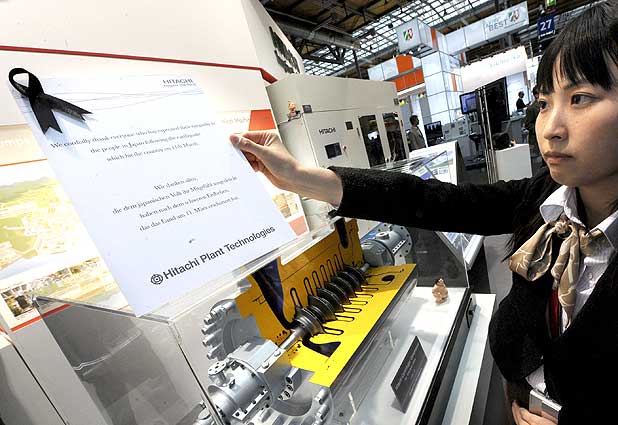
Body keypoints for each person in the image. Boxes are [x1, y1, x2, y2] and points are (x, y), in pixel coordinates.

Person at [229, 2, 618, 423]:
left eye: (580, 98)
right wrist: (303, 179)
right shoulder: (547, 199)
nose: (551, 128)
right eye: (543, 103)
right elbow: (432, 200)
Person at [524, 86, 541, 154]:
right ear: (536, 95)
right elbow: (528, 124)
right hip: (536, 140)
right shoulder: (531, 108)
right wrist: (539, 129)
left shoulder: (547, 105)